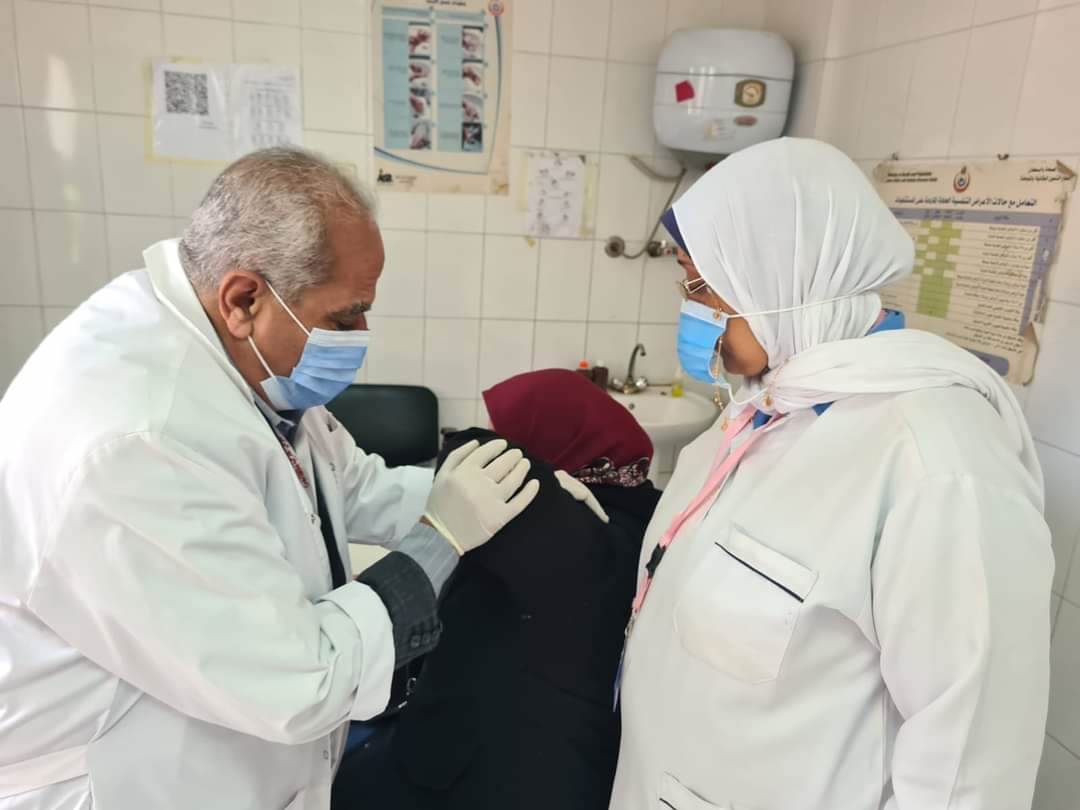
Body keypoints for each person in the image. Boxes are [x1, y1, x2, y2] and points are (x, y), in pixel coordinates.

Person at [0, 148, 541, 810]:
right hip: (126, 782)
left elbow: (346, 486)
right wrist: (440, 538)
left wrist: (500, 496)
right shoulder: (140, 441)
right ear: (244, 298)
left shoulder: (233, 360)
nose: (361, 335)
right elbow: (302, 680)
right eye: (344, 317)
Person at [611, 138, 1054, 810]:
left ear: (784, 276)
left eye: (703, 286)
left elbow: (970, 771)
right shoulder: (760, 412)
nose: (692, 311)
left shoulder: (939, 463)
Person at [332, 369, 662, 810]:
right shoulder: (644, 514)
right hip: (571, 765)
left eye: (508, 439)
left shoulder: (553, 528)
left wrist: (536, 474)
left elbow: (464, 449)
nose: (498, 442)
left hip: (483, 768)